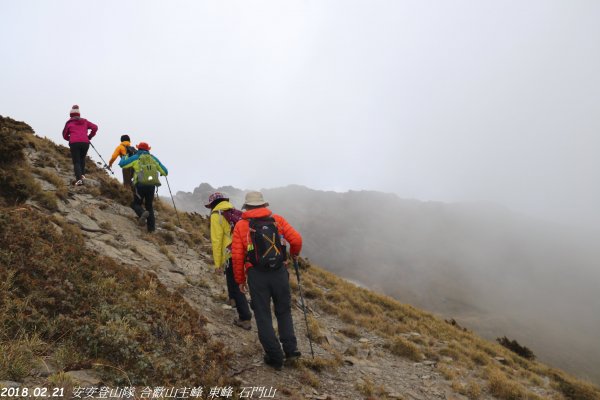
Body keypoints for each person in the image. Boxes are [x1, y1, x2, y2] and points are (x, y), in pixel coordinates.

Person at [231, 191, 303, 370]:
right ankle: (291, 351)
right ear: (264, 205)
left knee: (263, 315)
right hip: (279, 272)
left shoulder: (241, 226)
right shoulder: (277, 220)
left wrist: (240, 280)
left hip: (257, 275)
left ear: (247, 207)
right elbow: (297, 239)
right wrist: (293, 255)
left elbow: (238, 256)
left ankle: (274, 356)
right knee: (284, 311)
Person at [205, 192, 253, 330]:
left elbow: (216, 240)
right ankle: (232, 300)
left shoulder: (216, 215)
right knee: (232, 277)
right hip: (243, 251)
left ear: (212, 204)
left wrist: (217, 263)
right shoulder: (233, 211)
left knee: (236, 282)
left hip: (230, 252)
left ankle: (245, 318)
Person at [119, 142, 168, 232]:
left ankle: (142, 213)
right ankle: (151, 230)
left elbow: (122, 164)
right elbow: (165, 172)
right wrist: (160, 172)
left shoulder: (136, 157)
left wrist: (125, 155)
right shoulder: (153, 158)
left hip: (140, 185)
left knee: (136, 204)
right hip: (151, 186)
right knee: (149, 206)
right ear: (148, 150)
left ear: (138, 149)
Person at [62, 105, 98, 186]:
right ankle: (82, 175)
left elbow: (64, 135)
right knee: (82, 159)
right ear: (79, 114)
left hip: (74, 143)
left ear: (70, 115)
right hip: (85, 143)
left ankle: (79, 180)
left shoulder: (69, 123)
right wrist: (89, 136)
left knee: (76, 162)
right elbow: (95, 127)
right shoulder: (85, 121)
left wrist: (70, 138)